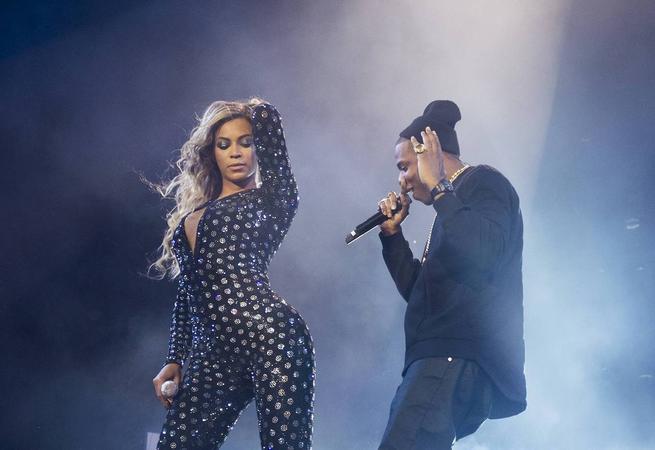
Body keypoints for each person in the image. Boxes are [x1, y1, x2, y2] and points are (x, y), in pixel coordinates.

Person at [149, 98, 315, 449]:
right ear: (211, 153)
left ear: (259, 148)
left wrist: (250, 109)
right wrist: (175, 357)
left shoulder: (272, 200)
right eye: (224, 145)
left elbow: (268, 116)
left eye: (246, 142)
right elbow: (189, 292)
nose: (236, 152)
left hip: (272, 338)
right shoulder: (194, 215)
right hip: (211, 353)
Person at [376, 100, 526, 449]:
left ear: (429, 152)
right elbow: (423, 295)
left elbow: (485, 250)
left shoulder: (484, 183)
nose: (401, 181)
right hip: (439, 355)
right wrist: (393, 237)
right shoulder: (450, 207)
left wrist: (440, 186)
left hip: (455, 354)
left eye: (404, 166)